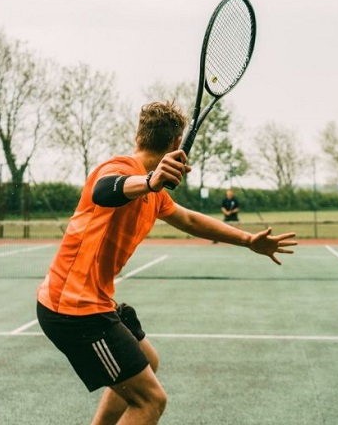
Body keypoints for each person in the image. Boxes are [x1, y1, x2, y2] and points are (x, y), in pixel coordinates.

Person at [36, 100, 297, 425]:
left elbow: (189, 220)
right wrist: (148, 181)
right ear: (177, 143)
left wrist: (247, 240)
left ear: (139, 135)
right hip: (73, 310)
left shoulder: (154, 191)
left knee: (148, 360)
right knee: (151, 402)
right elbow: (106, 190)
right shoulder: (119, 169)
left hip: (89, 301)